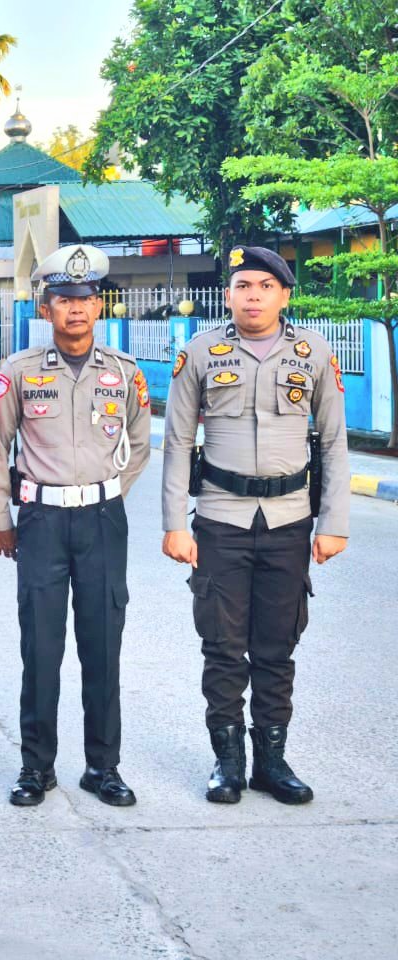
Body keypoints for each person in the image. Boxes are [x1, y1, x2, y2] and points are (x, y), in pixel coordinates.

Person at [162, 245, 348, 806]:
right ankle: (228, 763)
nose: (254, 296)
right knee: (222, 645)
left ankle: (271, 761)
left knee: (277, 646)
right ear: (228, 294)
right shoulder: (200, 352)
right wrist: (175, 524)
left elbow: (334, 443)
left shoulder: (314, 352)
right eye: (243, 286)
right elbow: (177, 441)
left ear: (284, 295)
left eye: (266, 287)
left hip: (290, 520)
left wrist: (333, 522)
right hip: (220, 518)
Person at [0, 244, 151, 808]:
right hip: (41, 522)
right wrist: (2, 517)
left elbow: (140, 444)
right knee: (41, 648)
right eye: (63, 300)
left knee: (102, 648)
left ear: (98, 306)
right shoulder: (19, 372)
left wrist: (108, 492)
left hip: (102, 520)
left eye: (85, 299)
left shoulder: (123, 373)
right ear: (46, 307)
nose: (75, 309)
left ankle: (103, 767)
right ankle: (36, 768)